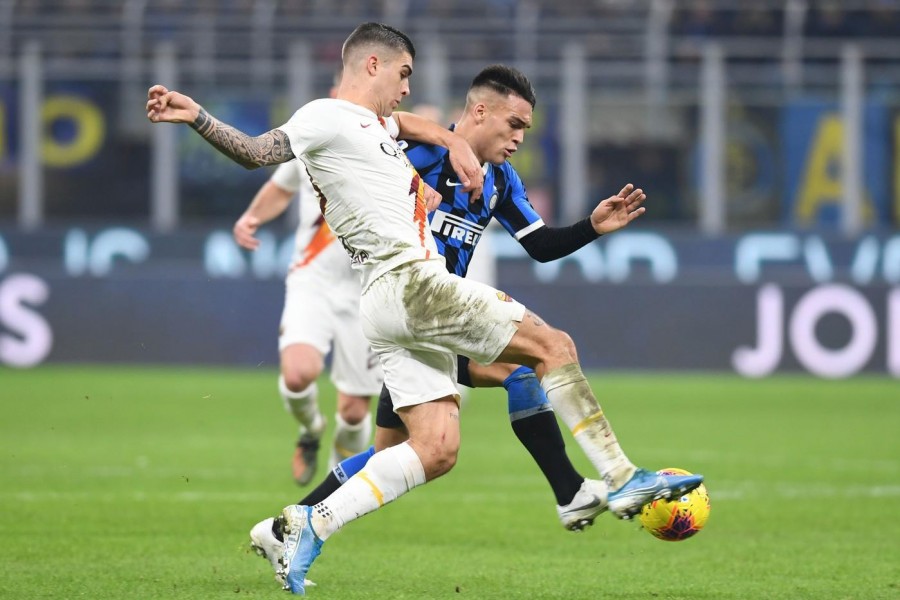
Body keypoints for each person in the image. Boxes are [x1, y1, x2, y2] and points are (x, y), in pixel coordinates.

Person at [146, 22, 703, 596]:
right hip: (415, 287)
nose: (409, 88)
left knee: (433, 450)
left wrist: (456, 143)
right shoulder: (325, 115)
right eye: (404, 73)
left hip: (394, 306)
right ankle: (617, 478)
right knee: (551, 348)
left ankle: (302, 524)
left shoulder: (385, 128)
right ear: (372, 66)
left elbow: (407, 126)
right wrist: (198, 117)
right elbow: (258, 152)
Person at [232, 70, 381, 485]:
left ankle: (335, 491)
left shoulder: (387, 144)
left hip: (366, 289)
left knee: (354, 412)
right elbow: (281, 187)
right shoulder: (311, 136)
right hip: (311, 279)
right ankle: (310, 429)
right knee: (298, 374)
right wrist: (252, 217)